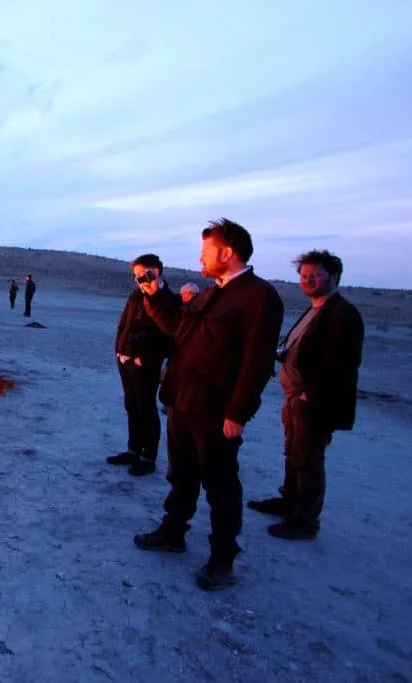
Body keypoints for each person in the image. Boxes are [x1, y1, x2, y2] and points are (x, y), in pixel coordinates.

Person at [132, 218, 284, 591]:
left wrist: (238, 412)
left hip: (216, 410)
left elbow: (257, 363)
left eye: (206, 251)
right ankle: (173, 532)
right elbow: (177, 331)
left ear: (227, 253)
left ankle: (222, 559)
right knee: (181, 475)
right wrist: (153, 296)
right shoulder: (211, 292)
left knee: (220, 484)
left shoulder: (258, 297)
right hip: (183, 400)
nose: (200, 257)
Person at [248, 250, 364, 540]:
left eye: (315, 275)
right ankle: (289, 501)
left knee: (309, 459)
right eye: (303, 276)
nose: (308, 280)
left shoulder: (341, 314)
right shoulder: (317, 309)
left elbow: (341, 364)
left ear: (334, 277)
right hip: (295, 397)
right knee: (294, 453)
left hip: (312, 402)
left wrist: (309, 396)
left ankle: (306, 521)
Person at [106, 254, 176, 476]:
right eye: (136, 276)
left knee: (146, 407)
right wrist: (119, 350)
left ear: (155, 271)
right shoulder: (136, 295)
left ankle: (148, 457)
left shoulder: (168, 299)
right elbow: (123, 323)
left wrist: (146, 357)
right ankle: (133, 450)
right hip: (125, 358)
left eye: (142, 274)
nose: (139, 279)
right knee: (132, 405)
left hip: (145, 363)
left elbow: (170, 334)